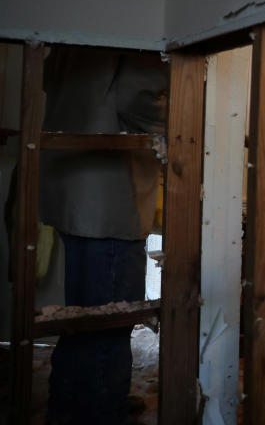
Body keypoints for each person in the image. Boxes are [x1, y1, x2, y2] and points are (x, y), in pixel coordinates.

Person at [40, 46, 168, 424]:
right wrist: (191, 117)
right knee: (108, 325)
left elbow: (49, 79)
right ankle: (101, 409)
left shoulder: (79, 32)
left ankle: (69, 408)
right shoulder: (136, 28)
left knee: (82, 318)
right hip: (109, 197)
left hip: (75, 187)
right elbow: (139, 99)